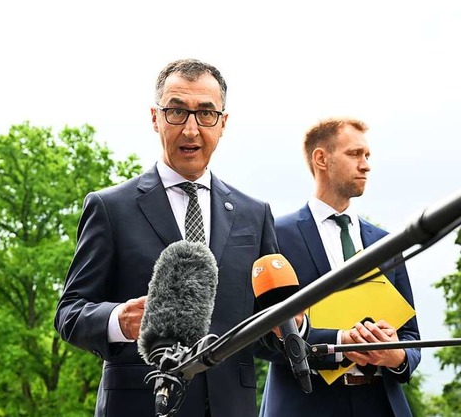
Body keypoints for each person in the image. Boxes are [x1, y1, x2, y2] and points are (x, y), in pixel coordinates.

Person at [54, 58, 280, 417]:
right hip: (139, 405)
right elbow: (70, 313)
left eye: (205, 114)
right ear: (155, 117)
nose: (191, 129)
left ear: (223, 123)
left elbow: (269, 328)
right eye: (176, 111)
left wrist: (294, 327)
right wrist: (118, 320)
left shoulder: (256, 214)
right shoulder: (110, 207)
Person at [260, 118, 421, 416]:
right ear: (321, 158)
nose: (366, 165)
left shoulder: (386, 242)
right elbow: (260, 337)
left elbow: (411, 336)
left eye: (368, 156)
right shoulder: (274, 235)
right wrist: (338, 342)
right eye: (355, 154)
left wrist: (396, 355)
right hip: (305, 405)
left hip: (382, 404)